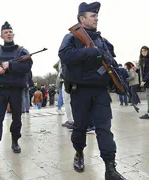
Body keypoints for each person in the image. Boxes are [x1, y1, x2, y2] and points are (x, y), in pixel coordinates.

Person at [58, 2, 126, 179]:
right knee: (80, 127)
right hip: (80, 92)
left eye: (97, 16)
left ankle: (110, 168)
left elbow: (111, 64)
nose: (96, 18)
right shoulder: (72, 37)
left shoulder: (103, 41)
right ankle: (79, 153)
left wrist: (120, 81)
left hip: (100, 92)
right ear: (82, 19)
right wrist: (88, 53)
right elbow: (64, 55)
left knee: (104, 129)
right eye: (92, 15)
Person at [0, 21, 32, 159]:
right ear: (1, 36)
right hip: (0, 90)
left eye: (10, 32)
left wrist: (11, 65)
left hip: (16, 90)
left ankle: (15, 141)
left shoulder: (22, 51)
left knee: (17, 118)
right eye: (5, 32)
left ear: (13, 34)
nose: (8, 34)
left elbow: (27, 66)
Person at [139, 46, 149, 119]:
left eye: (145, 51)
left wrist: (144, 80)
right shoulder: (144, 60)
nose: (144, 52)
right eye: (142, 51)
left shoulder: (147, 60)